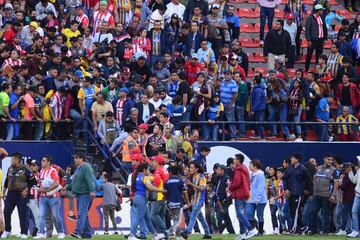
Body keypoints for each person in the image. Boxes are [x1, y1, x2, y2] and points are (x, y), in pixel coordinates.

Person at [1, 152, 37, 239]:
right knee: (6, 212)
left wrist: (26, 190)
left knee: (22, 214)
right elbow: (7, 180)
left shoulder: (26, 169)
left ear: (17, 159)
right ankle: (7, 230)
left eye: (12, 159)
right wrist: (4, 191)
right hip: (10, 194)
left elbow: (33, 181)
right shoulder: (10, 168)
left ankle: (23, 232)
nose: (11, 160)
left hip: (21, 194)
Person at [128, 163, 165, 240]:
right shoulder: (144, 178)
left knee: (148, 218)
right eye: (147, 169)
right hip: (142, 199)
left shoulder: (137, 176)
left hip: (137, 198)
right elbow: (150, 187)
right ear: (144, 170)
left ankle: (155, 235)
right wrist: (162, 190)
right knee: (139, 218)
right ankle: (131, 235)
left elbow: (151, 178)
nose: (148, 170)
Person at [35, 155, 65, 239]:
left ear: (48, 162)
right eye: (42, 160)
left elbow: (56, 183)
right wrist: (40, 188)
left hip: (53, 197)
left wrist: (47, 190)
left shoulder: (53, 170)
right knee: (42, 215)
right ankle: (41, 233)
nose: (42, 162)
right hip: (42, 197)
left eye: (44, 161)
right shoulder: (41, 171)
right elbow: (41, 183)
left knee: (55, 215)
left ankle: (61, 232)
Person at [67, 152, 96, 239]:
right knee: (84, 213)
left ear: (81, 158)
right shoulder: (78, 168)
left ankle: (78, 232)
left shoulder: (86, 167)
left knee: (82, 213)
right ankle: (87, 233)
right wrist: (66, 188)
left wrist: (91, 191)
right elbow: (74, 182)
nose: (74, 159)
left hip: (85, 193)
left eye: (76, 158)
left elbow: (89, 179)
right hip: (80, 194)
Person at [229, 154, 258, 239]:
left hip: (239, 194)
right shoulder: (244, 169)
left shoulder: (238, 170)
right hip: (245, 194)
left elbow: (236, 183)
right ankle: (242, 233)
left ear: (238, 160)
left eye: (234, 159)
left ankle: (251, 229)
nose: (233, 160)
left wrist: (230, 187)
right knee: (241, 214)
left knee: (239, 213)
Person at [284, 153, 313, 234]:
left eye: (292, 158)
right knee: (292, 211)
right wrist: (286, 189)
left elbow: (309, 181)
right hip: (290, 193)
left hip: (298, 193)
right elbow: (285, 179)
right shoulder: (289, 168)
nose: (291, 159)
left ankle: (295, 228)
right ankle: (302, 227)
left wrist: (308, 190)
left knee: (296, 210)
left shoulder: (303, 169)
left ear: (297, 159)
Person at [306, 154, 335, 235]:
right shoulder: (318, 168)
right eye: (328, 159)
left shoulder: (333, 170)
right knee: (312, 212)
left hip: (326, 195)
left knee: (326, 214)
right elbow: (314, 179)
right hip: (316, 195)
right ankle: (312, 230)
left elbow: (336, 183)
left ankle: (325, 231)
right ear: (324, 159)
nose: (330, 161)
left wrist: (333, 195)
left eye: (331, 160)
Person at [181, 162, 211, 239]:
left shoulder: (202, 177)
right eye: (190, 167)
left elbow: (202, 188)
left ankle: (187, 232)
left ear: (196, 169)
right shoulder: (192, 177)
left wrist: (191, 184)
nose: (190, 169)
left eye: (191, 168)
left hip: (199, 200)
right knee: (201, 218)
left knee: (193, 216)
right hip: (194, 200)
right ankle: (208, 233)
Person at [164, 165, 190, 237]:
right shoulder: (180, 181)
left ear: (170, 173)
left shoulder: (167, 181)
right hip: (178, 203)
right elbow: (184, 192)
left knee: (175, 220)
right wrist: (188, 202)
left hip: (170, 204)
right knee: (178, 221)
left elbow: (165, 192)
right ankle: (169, 232)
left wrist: (166, 201)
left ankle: (178, 236)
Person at [150, 154, 169, 240]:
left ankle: (164, 232)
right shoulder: (165, 170)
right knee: (161, 216)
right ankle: (162, 235)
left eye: (153, 161)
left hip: (159, 196)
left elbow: (156, 184)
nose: (152, 162)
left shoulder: (157, 171)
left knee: (154, 215)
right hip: (164, 196)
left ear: (157, 162)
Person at [246, 159, 267, 236]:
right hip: (251, 198)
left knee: (259, 215)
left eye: (250, 165)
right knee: (249, 214)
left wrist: (258, 198)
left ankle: (260, 232)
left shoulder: (260, 175)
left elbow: (260, 188)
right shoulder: (251, 174)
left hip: (260, 200)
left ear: (255, 166)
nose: (249, 166)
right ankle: (253, 230)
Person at [304, 4, 328, 72]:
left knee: (319, 57)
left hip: (320, 40)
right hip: (312, 40)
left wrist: (325, 39)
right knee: (309, 55)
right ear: (318, 10)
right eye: (321, 10)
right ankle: (306, 69)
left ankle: (318, 71)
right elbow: (307, 29)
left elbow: (325, 29)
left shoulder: (322, 18)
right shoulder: (310, 18)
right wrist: (308, 40)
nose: (322, 11)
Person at [213, 164, 235, 234]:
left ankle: (218, 232)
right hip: (219, 201)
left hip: (224, 201)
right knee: (226, 218)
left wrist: (227, 199)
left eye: (218, 169)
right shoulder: (219, 178)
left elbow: (229, 190)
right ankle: (231, 232)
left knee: (219, 217)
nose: (216, 171)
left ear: (222, 171)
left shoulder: (227, 178)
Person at [220, 70, 238, 141]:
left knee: (231, 121)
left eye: (228, 74)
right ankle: (221, 136)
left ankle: (233, 136)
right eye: (225, 74)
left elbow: (235, 95)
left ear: (231, 75)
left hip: (229, 106)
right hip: (222, 105)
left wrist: (230, 104)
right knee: (221, 120)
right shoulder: (223, 81)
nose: (226, 76)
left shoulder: (233, 83)